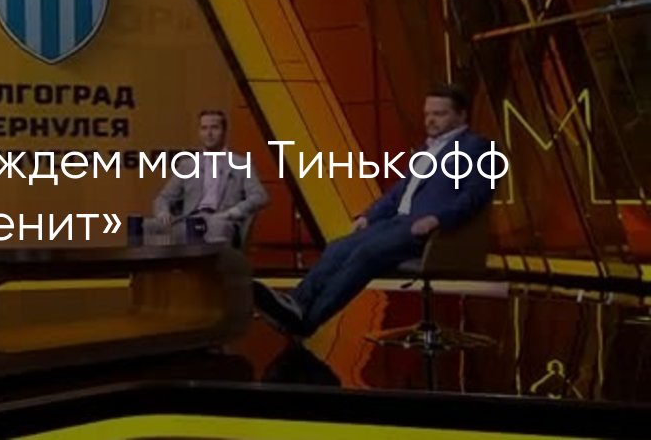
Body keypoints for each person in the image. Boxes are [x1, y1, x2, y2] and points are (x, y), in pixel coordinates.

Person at [253, 84, 499, 338]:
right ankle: (296, 305)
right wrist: (368, 217)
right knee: (338, 247)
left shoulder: (478, 148)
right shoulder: (426, 150)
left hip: (430, 232)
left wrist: (437, 219)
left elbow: (476, 197)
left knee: (367, 253)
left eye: (439, 114)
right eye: (427, 114)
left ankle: (306, 323)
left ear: (462, 115)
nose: (430, 120)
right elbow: (396, 194)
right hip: (395, 223)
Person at [151, 110, 270, 245]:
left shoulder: (241, 164)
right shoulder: (188, 165)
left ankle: (206, 259)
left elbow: (260, 196)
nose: (209, 133)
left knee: (217, 228)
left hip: (221, 219)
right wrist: (163, 212)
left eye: (214, 128)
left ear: (224, 131)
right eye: (204, 128)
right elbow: (164, 197)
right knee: (149, 226)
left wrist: (232, 212)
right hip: (189, 220)